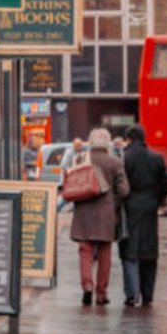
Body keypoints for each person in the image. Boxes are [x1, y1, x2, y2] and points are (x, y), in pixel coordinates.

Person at [69, 126, 128, 307]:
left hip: (84, 214)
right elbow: (124, 190)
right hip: (106, 215)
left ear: (90, 142)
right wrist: (113, 202)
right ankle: (101, 294)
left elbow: (71, 186)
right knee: (104, 254)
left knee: (85, 252)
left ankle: (87, 285)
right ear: (107, 143)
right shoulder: (115, 162)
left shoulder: (79, 159)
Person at [120, 123, 167, 307]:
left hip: (130, 206)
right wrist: (157, 199)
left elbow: (120, 185)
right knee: (149, 249)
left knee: (130, 249)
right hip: (150, 207)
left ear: (129, 139)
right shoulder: (157, 158)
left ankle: (132, 294)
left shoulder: (125, 158)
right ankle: (147, 294)